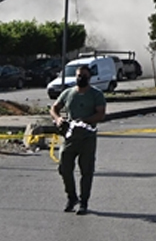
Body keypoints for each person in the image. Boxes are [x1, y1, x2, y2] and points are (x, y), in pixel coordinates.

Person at [51, 64, 107, 215]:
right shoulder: (68, 93)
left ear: (89, 78)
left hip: (87, 138)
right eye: (78, 75)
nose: (81, 78)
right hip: (69, 138)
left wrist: (85, 120)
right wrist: (58, 119)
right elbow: (54, 108)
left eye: (84, 76)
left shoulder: (96, 94)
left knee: (86, 171)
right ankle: (72, 197)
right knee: (64, 168)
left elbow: (100, 114)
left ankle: (84, 202)